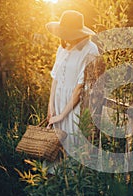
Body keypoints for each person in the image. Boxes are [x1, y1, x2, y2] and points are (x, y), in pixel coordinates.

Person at [45, 10, 99, 164]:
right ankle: (51, 185)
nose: (65, 35)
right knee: (52, 151)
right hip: (58, 102)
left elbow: (80, 87)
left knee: (70, 151)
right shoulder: (62, 47)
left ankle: (68, 185)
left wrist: (62, 116)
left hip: (74, 107)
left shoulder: (90, 49)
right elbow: (55, 79)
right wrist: (51, 107)